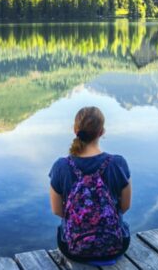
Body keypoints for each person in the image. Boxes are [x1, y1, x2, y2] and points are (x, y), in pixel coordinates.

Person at [49, 107, 132, 265]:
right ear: (102, 132)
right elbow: (125, 206)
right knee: (124, 225)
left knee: (62, 228)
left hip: (73, 250)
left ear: (75, 130)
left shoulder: (61, 166)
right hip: (115, 246)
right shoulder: (118, 163)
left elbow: (57, 210)